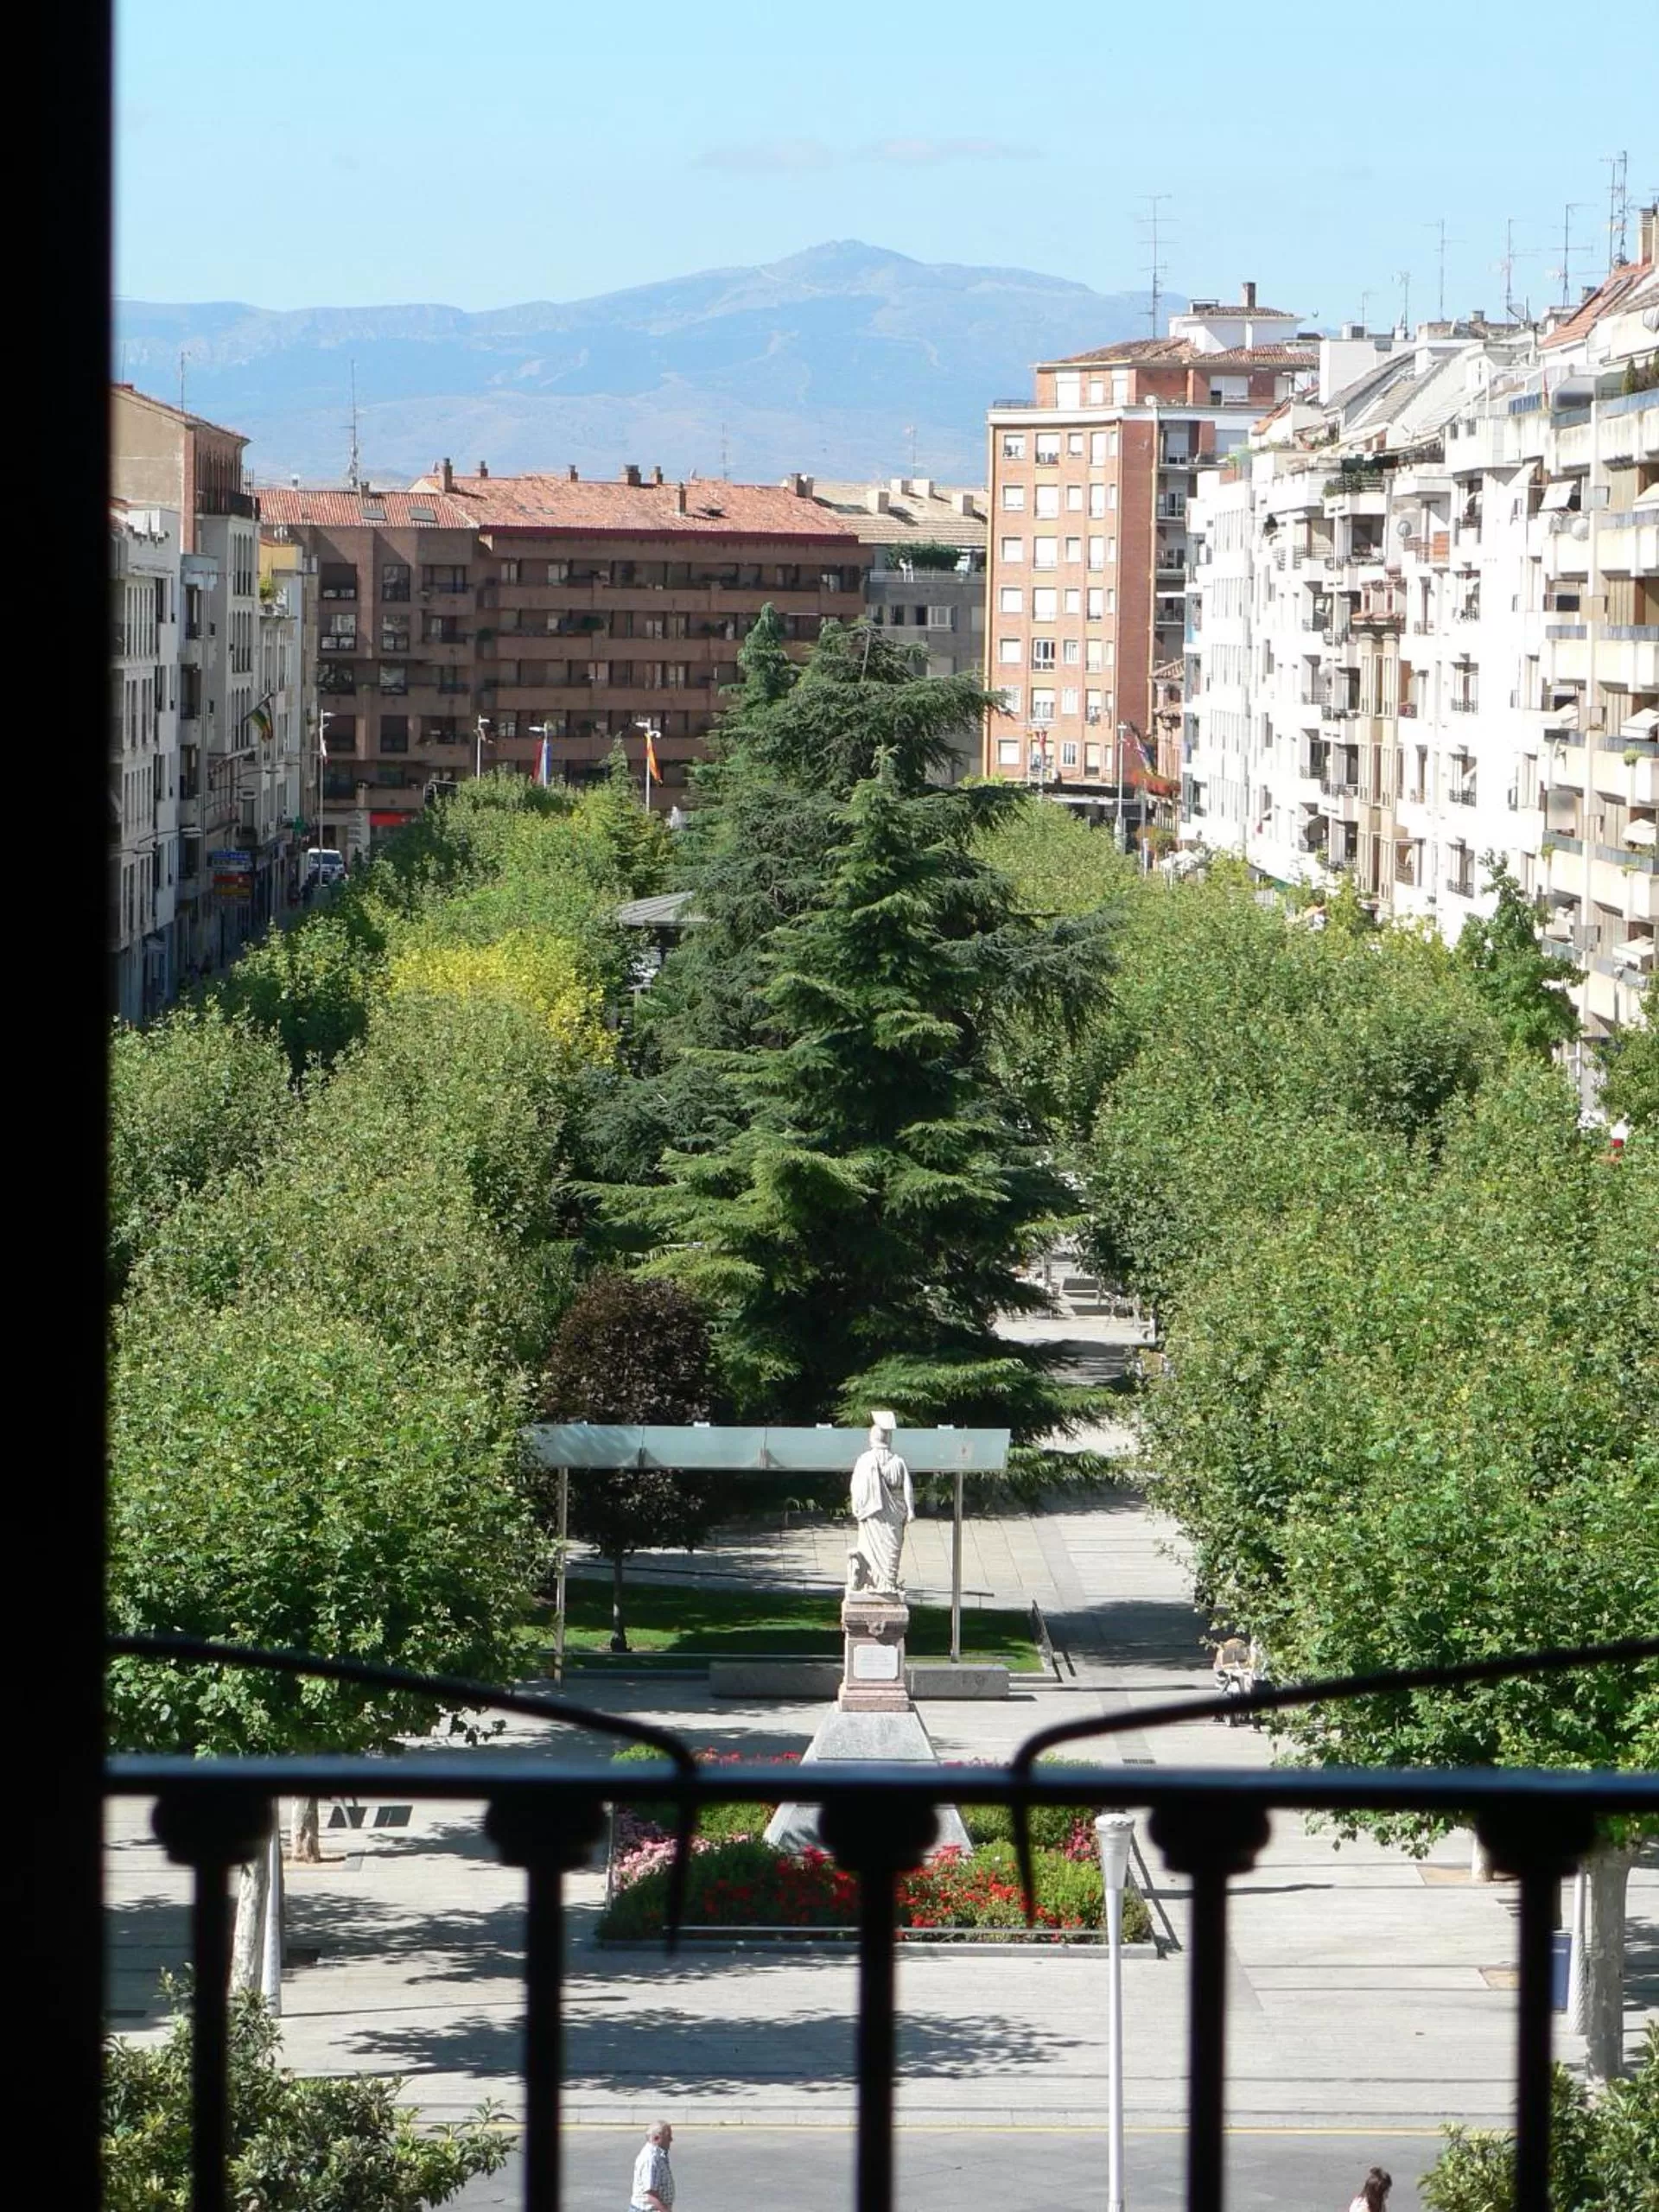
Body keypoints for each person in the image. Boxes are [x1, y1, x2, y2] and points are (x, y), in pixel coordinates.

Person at [846, 1410, 914, 1599]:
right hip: (892, 1515)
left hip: (872, 1514)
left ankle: (877, 1583)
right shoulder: (898, 1461)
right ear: (888, 1439)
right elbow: (908, 1487)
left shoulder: (865, 1460)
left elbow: (856, 1488)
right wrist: (910, 1510)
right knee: (891, 1552)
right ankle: (886, 1583)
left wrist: (859, 1508)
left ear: (872, 1438)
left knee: (874, 1550)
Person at [630, 2120, 675, 2212]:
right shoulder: (650, 2159)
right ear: (656, 2138)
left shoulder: (658, 2155)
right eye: (668, 2136)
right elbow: (651, 2195)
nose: (671, 2140)